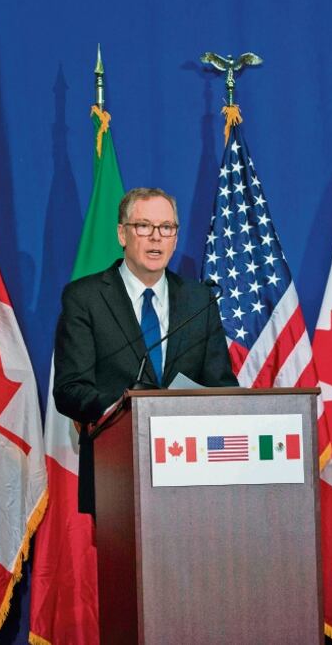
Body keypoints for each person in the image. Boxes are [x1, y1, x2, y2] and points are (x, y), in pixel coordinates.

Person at [53, 187, 237, 512]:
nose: (156, 238)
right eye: (144, 226)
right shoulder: (86, 298)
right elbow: (70, 389)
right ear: (122, 234)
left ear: (175, 238)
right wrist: (127, 410)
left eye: (166, 228)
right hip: (117, 473)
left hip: (193, 474)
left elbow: (221, 386)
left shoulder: (199, 299)